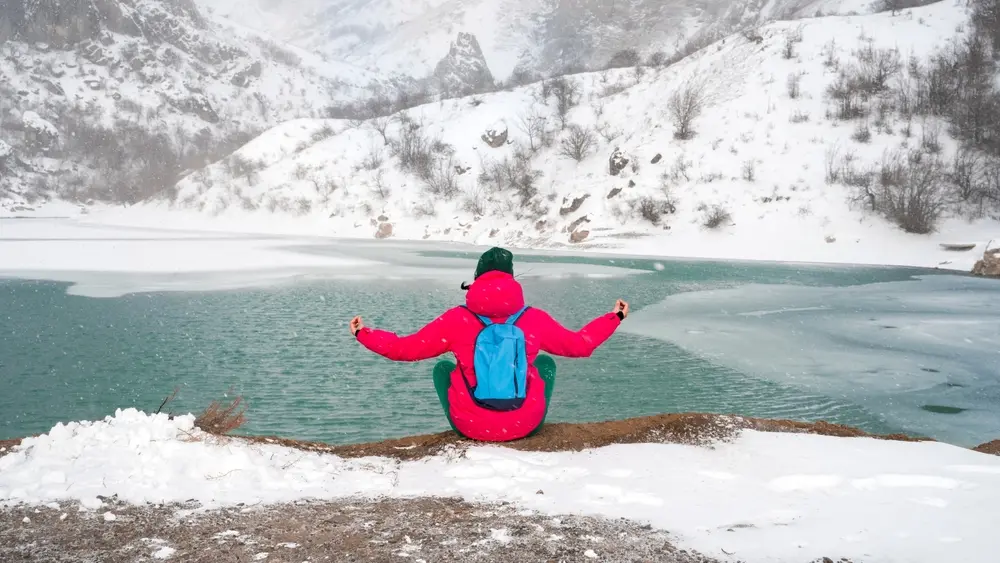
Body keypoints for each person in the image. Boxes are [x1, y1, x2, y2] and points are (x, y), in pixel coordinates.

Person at [350, 247, 628, 442]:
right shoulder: (533, 319)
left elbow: (406, 349)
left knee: (443, 368)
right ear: (511, 279)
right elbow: (581, 345)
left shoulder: (457, 319)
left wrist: (364, 333)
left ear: (476, 279)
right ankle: (526, 414)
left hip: (471, 426)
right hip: (524, 425)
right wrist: (614, 317)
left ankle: (474, 418)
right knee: (545, 364)